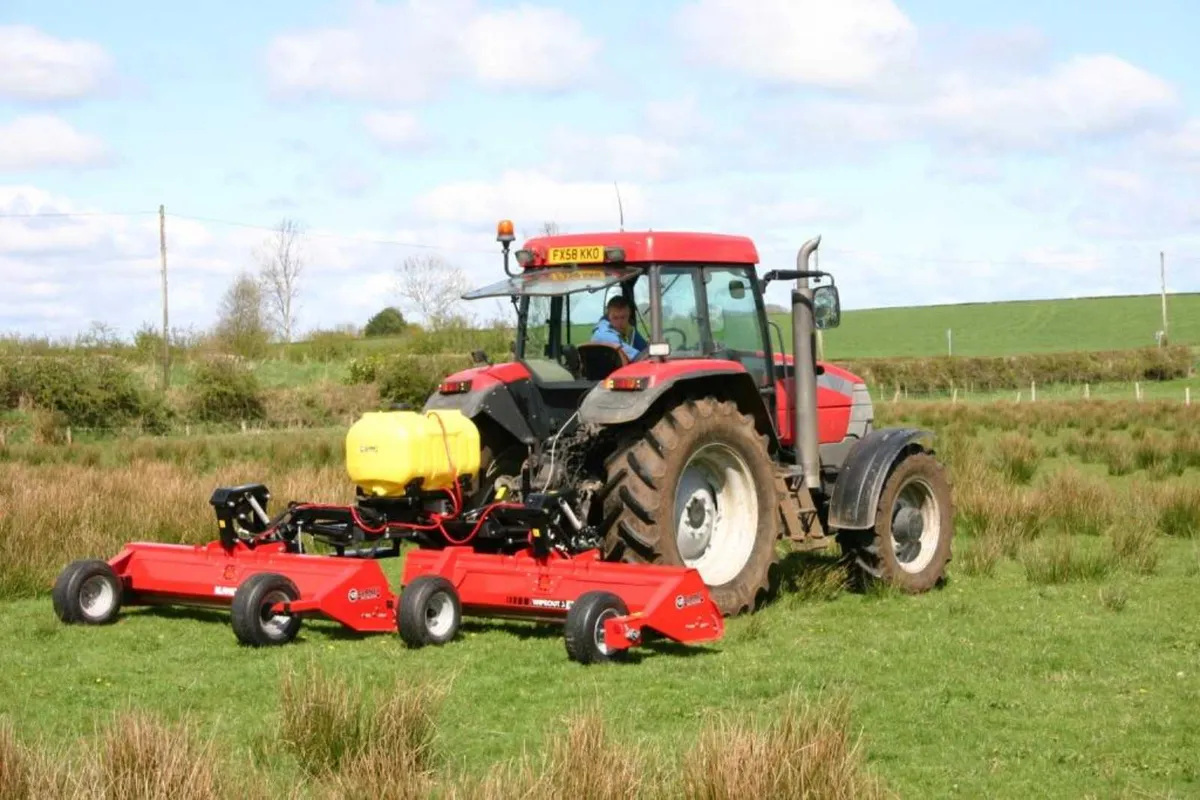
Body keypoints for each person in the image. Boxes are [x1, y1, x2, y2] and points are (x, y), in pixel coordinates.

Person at [591, 295, 647, 360]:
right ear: (608, 316)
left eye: (623, 317)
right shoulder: (605, 335)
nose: (619, 322)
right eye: (615, 318)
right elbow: (639, 358)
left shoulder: (605, 329)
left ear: (628, 316)